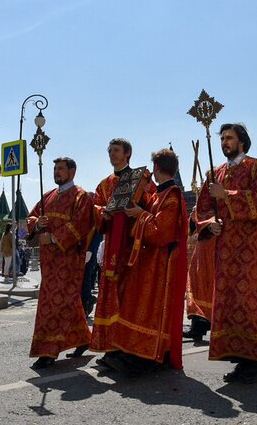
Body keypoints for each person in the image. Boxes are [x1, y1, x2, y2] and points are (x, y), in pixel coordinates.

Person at [195, 123, 257, 382]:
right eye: (222, 138)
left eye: (229, 138)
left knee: (249, 301)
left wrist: (228, 195)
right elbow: (202, 207)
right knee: (229, 302)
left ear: (242, 141)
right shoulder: (215, 173)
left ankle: (255, 359)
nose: (224, 142)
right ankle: (238, 356)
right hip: (225, 251)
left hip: (251, 250)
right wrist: (209, 224)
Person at [98, 148, 188, 374]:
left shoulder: (173, 196)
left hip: (160, 265)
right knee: (135, 305)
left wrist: (139, 215)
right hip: (147, 262)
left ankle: (152, 355)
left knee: (150, 310)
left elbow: (161, 233)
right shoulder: (159, 194)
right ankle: (129, 350)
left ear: (157, 168)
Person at [90, 138, 156, 362]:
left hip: (132, 247)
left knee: (128, 297)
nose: (111, 154)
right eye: (109, 151)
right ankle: (111, 346)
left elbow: (153, 204)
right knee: (110, 296)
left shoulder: (142, 178)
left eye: (116, 150)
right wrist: (103, 213)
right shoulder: (104, 183)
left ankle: (126, 346)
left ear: (127, 153)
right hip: (111, 249)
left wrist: (139, 209)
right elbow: (97, 207)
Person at [26, 157, 96, 369]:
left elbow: (81, 225)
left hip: (68, 260)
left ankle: (48, 352)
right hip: (49, 261)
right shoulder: (48, 196)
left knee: (55, 303)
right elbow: (31, 217)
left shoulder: (81, 196)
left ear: (72, 172)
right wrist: (38, 224)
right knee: (66, 302)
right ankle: (83, 338)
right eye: (55, 168)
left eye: (61, 169)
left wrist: (54, 237)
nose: (57, 172)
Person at [184, 207, 216, 342]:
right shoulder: (196, 219)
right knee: (195, 292)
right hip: (196, 261)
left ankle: (199, 327)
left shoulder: (214, 219)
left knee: (204, 292)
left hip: (209, 261)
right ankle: (196, 329)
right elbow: (188, 231)